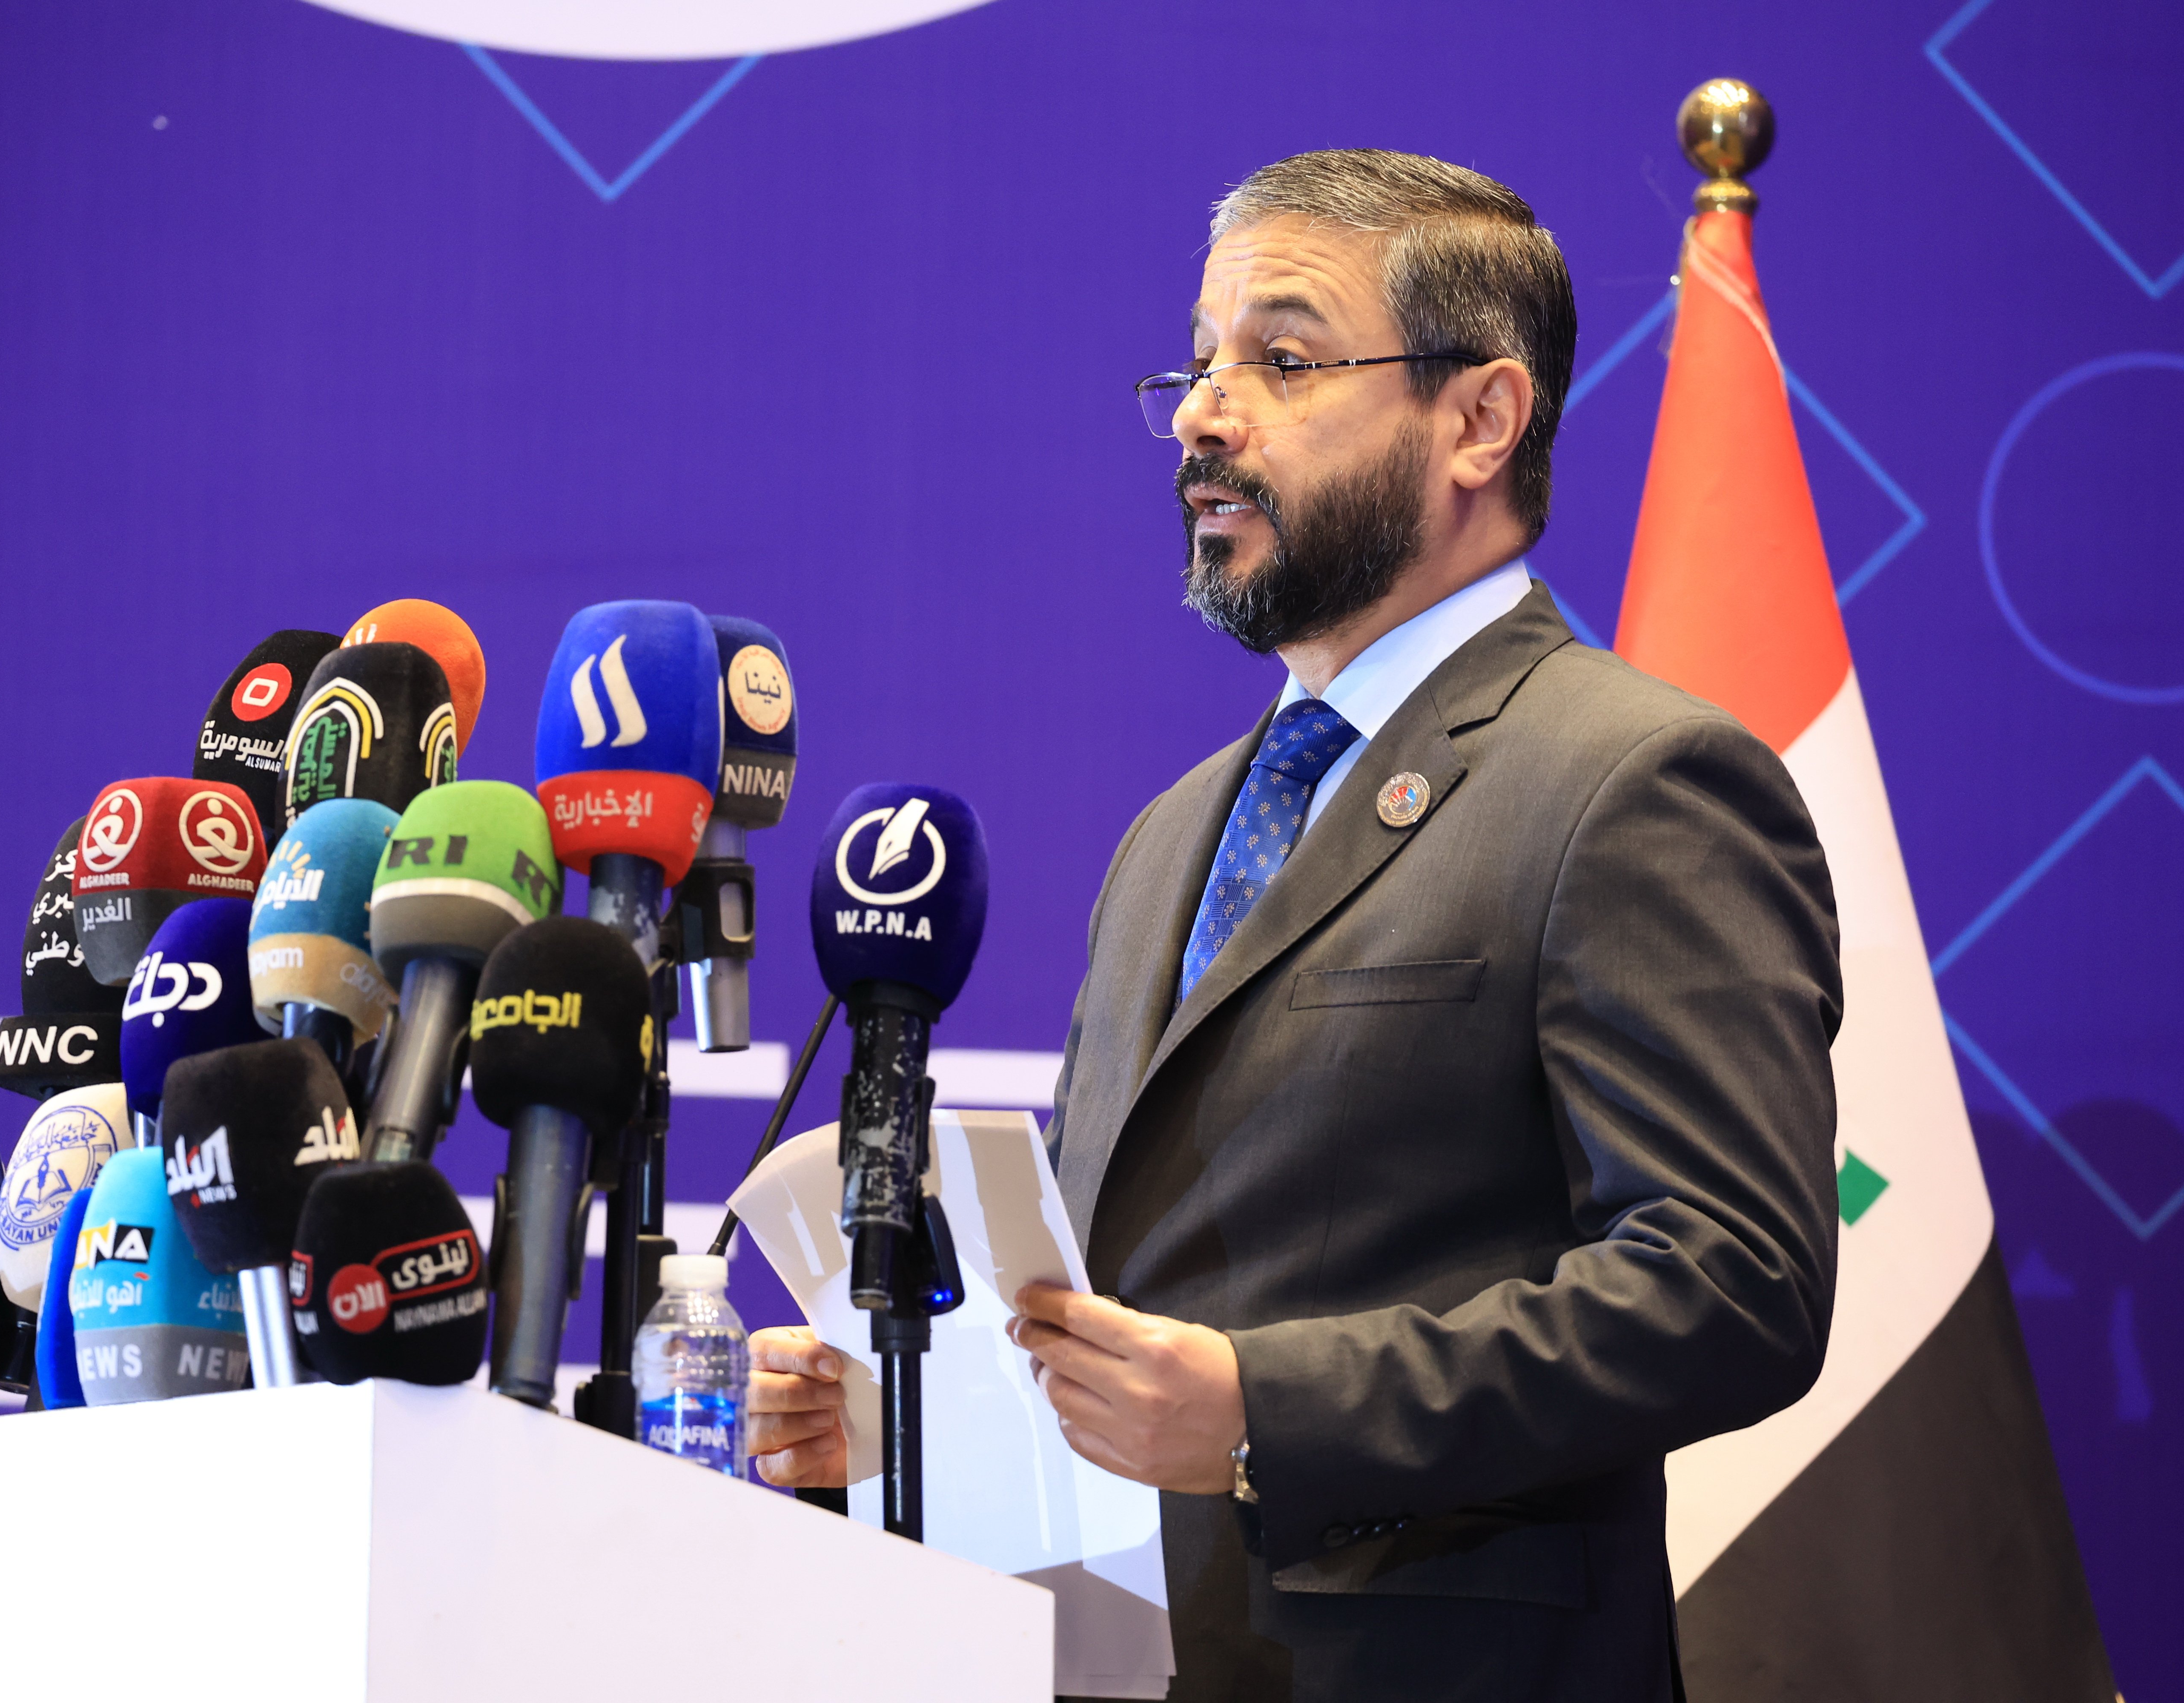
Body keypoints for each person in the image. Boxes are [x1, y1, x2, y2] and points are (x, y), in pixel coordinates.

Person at [749, 149, 1840, 1702]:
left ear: (1482, 419)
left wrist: (1273, 1414)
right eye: (1200, 363)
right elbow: (1130, 1313)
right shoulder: (1170, 838)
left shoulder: (1636, 781)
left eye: (1284, 359)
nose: (1206, 414)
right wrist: (900, 1419)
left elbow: (1731, 1283)